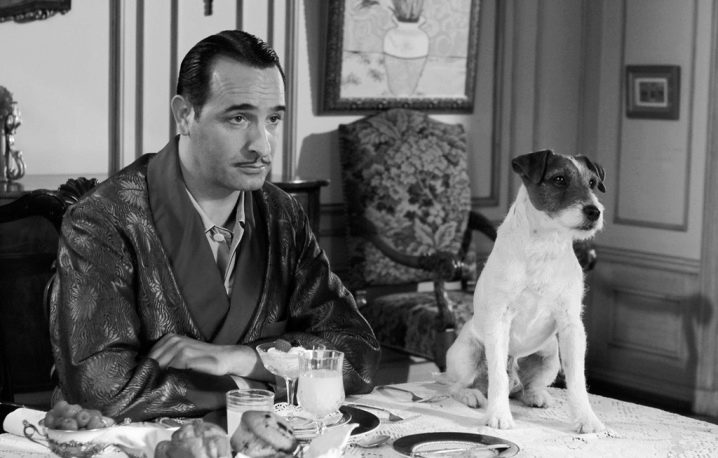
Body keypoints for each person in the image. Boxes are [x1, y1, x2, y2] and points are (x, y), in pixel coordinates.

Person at [49, 30, 380, 422]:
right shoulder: (102, 220)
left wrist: (240, 358)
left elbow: (357, 354)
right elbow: (101, 389)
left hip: (263, 438)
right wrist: (255, 386)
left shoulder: (283, 215)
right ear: (185, 115)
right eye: (238, 118)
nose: (262, 146)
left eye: (273, 119)